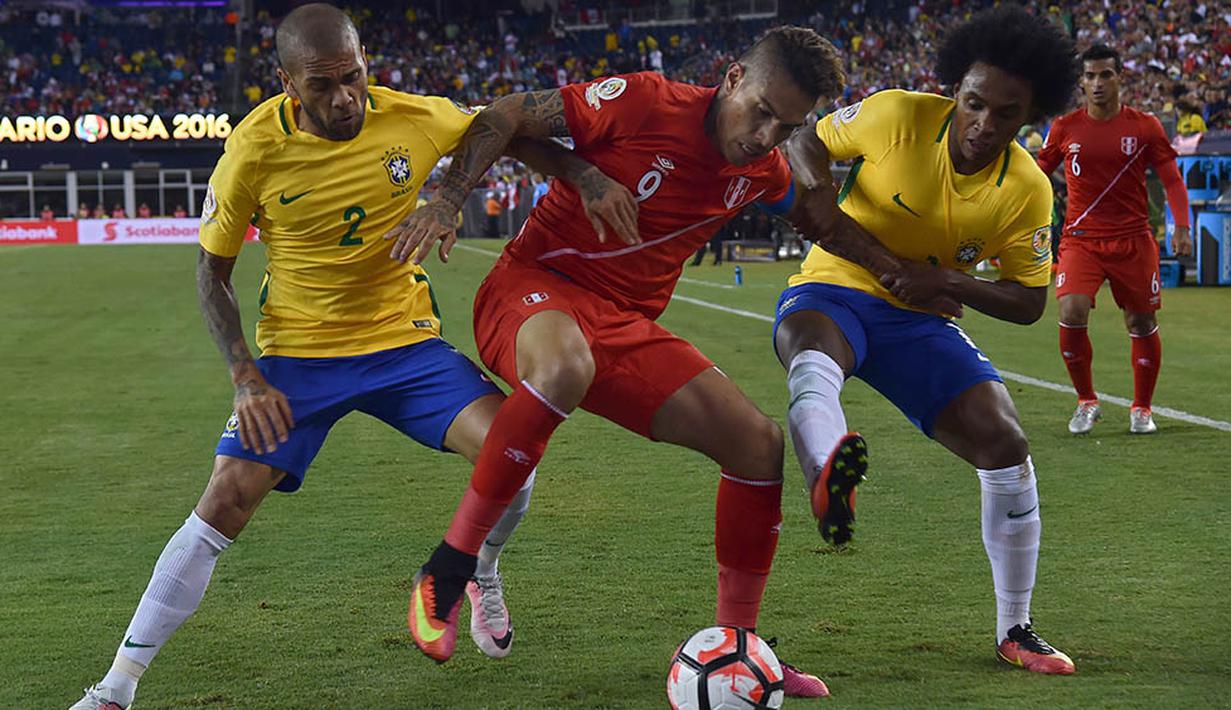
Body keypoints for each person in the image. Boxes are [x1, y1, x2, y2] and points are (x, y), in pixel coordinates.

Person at [69, 5, 565, 708]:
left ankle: (480, 566)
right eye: (322, 86)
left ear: (366, 65)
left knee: (518, 454)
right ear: (285, 83)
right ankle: (115, 689)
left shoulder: (413, 115)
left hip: (403, 343)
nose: (343, 99)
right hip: (298, 356)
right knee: (224, 501)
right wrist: (245, 377)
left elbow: (506, 120)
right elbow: (211, 276)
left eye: (353, 78)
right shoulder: (251, 150)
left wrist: (456, 193)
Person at [385, 26, 867, 698]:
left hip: (621, 327)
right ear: (732, 78)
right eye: (760, 111)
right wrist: (556, 177)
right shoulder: (644, 102)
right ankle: (447, 569)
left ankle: (737, 646)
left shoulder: (764, 169)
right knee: (562, 367)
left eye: (784, 126)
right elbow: (504, 115)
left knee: (756, 445)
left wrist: (914, 276)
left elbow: (824, 221)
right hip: (532, 290)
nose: (764, 136)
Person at [774, 5, 1079, 677]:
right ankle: (827, 471)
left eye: (1005, 113)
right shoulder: (895, 115)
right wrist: (818, 187)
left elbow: (1029, 301)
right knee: (810, 348)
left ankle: (1015, 629)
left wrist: (942, 281)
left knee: (1005, 442)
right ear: (953, 91)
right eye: (973, 104)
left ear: (1030, 115)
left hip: (917, 318)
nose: (983, 124)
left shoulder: (1025, 189)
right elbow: (802, 139)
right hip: (833, 285)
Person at [1037, 44, 1193, 435]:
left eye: (1105, 74)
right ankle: (1086, 401)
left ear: (1120, 77)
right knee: (1070, 310)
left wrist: (1183, 226)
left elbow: (1172, 179)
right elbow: (1038, 173)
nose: (1097, 83)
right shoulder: (1064, 128)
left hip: (1133, 239)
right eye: (1089, 76)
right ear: (1081, 82)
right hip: (1081, 239)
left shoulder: (1144, 126)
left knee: (1141, 321)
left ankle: (1142, 408)